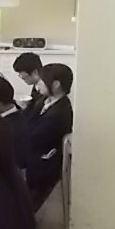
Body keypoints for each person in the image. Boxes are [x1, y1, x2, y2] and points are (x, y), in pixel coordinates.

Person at [27, 63, 73, 209]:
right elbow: (29, 121)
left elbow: (33, 138)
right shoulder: (45, 100)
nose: (38, 84)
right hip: (34, 152)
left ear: (56, 84)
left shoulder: (60, 112)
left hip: (43, 162)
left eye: (42, 81)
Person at [13, 52, 43, 117]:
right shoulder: (36, 85)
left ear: (35, 72)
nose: (21, 77)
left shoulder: (46, 90)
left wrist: (25, 109)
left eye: (22, 74)